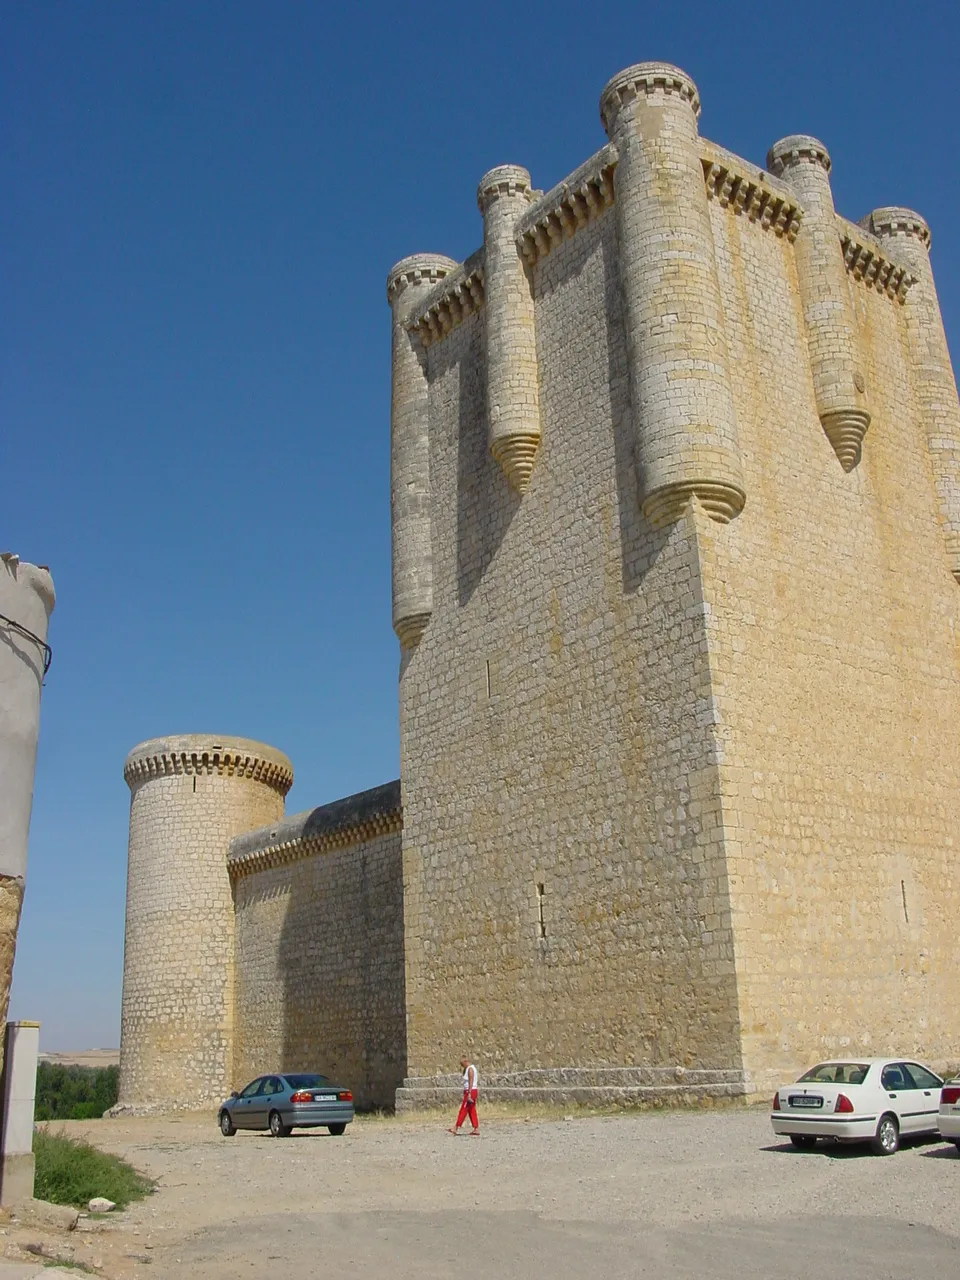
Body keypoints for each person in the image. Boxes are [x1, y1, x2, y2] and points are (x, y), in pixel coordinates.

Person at [449, 1058, 479, 1135]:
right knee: (471, 1110)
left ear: (466, 1062)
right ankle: (476, 1128)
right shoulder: (469, 1069)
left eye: (462, 1064)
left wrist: (469, 1093)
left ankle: (456, 1127)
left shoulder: (470, 1069)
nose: (462, 1066)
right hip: (471, 1091)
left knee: (464, 1109)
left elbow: (471, 1081)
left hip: (470, 1091)